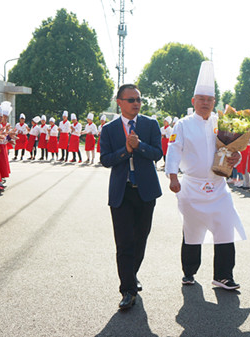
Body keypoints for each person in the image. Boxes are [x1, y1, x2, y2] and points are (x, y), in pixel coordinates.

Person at [166, 61, 246, 290]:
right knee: (192, 231)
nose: (205, 103)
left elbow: (231, 150)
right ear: (193, 101)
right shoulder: (182, 125)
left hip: (218, 187)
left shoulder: (221, 123)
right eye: (201, 99)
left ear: (214, 102)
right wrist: (172, 176)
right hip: (192, 187)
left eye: (209, 99)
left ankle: (223, 276)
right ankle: (189, 272)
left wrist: (235, 158)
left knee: (225, 228)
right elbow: (174, 149)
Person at [99, 83, 163, 310]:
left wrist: (139, 146)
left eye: (138, 100)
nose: (136, 103)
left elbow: (158, 153)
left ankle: (132, 274)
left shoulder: (150, 124)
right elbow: (105, 159)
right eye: (131, 100)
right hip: (122, 192)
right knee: (124, 242)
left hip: (145, 191)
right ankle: (127, 289)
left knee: (140, 240)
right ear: (120, 102)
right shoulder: (109, 129)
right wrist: (126, 151)